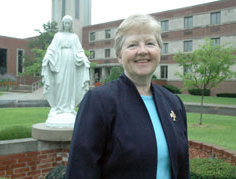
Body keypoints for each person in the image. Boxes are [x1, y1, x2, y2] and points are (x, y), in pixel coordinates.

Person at [66, 14, 190, 178]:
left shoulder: (174, 103)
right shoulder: (98, 101)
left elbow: (182, 168)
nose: (142, 51)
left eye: (150, 43)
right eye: (132, 45)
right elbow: (81, 170)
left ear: (159, 51)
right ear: (119, 56)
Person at [42, 15, 90, 127]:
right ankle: (59, 107)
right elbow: (52, 48)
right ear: (63, 24)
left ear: (71, 25)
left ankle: (69, 108)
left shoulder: (74, 37)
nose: (67, 25)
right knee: (59, 83)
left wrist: (84, 58)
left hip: (71, 63)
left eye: (69, 23)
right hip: (60, 62)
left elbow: (79, 50)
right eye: (65, 23)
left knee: (69, 85)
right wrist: (47, 57)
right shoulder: (58, 36)